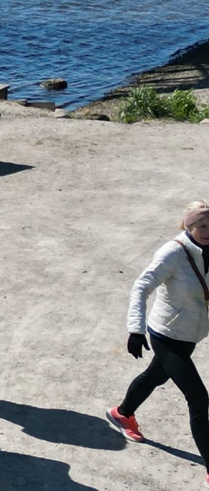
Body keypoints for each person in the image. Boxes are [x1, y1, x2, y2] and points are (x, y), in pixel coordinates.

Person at [107, 201, 209, 487]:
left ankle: (122, 413)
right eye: (202, 226)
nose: (208, 232)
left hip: (191, 333)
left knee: (156, 376)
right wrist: (136, 330)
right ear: (188, 225)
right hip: (166, 335)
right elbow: (141, 286)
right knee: (199, 399)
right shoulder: (173, 252)